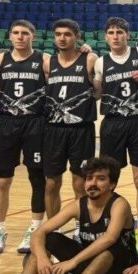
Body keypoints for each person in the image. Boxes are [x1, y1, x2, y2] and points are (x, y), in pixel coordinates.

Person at [0, 156, 137, 274]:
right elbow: (39, 232)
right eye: (89, 178)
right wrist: (42, 259)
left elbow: (109, 238)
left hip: (120, 266)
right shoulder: (78, 205)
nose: (93, 183)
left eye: (100, 179)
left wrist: (72, 262)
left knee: (110, 247)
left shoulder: (119, 204)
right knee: (49, 238)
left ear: (112, 185)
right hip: (91, 263)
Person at [93, 17, 138, 255]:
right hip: (112, 124)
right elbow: (96, 93)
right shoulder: (101, 62)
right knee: (108, 180)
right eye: (111, 32)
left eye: (120, 32)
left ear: (127, 35)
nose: (115, 36)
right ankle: (109, 226)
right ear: (106, 37)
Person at [0, 20, 48, 254]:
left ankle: (35, 229)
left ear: (33, 36)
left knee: (37, 178)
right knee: (2, 180)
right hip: (7, 123)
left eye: (25, 33)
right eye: (16, 33)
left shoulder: (44, 60)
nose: (20, 36)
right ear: (10, 36)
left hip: (35, 122)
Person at [41, 19, 98, 251]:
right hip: (54, 129)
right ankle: (53, 229)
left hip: (80, 129)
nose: (62, 38)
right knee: (51, 183)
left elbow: (99, 90)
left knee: (80, 183)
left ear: (77, 36)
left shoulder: (90, 59)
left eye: (67, 34)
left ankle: (80, 227)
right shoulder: (47, 62)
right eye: (58, 34)